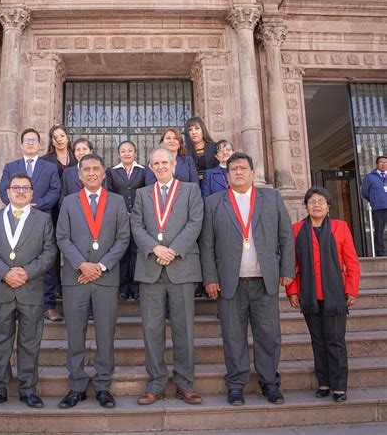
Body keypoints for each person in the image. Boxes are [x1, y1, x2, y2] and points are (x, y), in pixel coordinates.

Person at [199, 152, 295, 406]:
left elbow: (286, 236)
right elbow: (207, 244)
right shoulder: (213, 202)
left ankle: (270, 383)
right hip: (230, 283)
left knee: (269, 334)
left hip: (264, 281)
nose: (238, 172)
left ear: (252, 173)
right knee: (233, 336)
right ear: (227, 175)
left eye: (243, 168)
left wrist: (287, 270)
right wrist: (209, 277)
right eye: (233, 169)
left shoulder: (271, 198)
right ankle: (236, 384)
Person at [56, 154, 130, 409]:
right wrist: (82, 264)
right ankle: (76, 386)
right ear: (79, 175)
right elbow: (62, 237)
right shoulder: (68, 202)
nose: (90, 173)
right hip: (75, 277)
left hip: (105, 278)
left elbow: (123, 238)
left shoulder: (117, 202)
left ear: (103, 173)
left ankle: (102, 386)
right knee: (75, 335)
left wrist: (99, 266)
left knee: (105, 335)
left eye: (95, 169)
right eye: (85, 169)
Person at [132, 147, 204, 406]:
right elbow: (136, 226)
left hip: (181, 267)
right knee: (152, 330)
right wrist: (155, 247)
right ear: (150, 168)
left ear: (174, 164)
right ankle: (156, 384)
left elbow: (195, 223)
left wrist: (173, 250)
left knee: (184, 329)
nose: (160, 166)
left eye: (165, 162)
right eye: (156, 163)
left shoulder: (190, 190)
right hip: (151, 268)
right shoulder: (142, 194)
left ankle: (185, 384)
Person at [0, 172, 57, 410]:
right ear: (8, 192)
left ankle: (28, 390)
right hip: (1, 290)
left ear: (32, 193)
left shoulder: (43, 219)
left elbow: (50, 252)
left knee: (30, 342)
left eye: (25, 188)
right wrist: (5, 273)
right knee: (0, 342)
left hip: (31, 289)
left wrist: (26, 272)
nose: (21, 191)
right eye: (16, 188)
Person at [286, 186, 361, 403]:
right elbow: (292, 264)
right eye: (312, 201)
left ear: (328, 206)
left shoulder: (340, 227)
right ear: (306, 207)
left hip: (335, 295)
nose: (316, 205)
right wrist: (292, 290)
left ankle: (339, 386)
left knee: (335, 340)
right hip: (309, 294)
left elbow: (352, 262)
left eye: (321, 201)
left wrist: (352, 290)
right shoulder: (297, 230)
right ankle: (324, 382)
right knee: (317, 340)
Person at [0, 128, 62, 322]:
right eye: (27, 140)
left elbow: (55, 191)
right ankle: (16, 307)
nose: (31, 143)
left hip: (42, 219)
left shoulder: (50, 167)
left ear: (39, 144)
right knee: (16, 260)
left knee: (47, 262)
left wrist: (36, 205)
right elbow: (4, 191)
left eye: (34, 140)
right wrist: (20, 205)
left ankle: (49, 305)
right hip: (16, 220)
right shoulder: (11, 166)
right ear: (21, 145)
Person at [106, 140, 146, 300]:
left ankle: (136, 287)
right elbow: (109, 193)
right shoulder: (112, 172)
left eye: (130, 150)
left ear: (135, 153)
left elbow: (147, 192)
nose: (127, 153)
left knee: (137, 252)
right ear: (118, 154)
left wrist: (136, 211)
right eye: (123, 151)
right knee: (122, 253)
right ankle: (122, 288)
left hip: (139, 218)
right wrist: (122, 212)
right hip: (120, 218)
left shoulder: (143, 171)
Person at [41, 124, 77, 301]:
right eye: (56, 137)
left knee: (74, 246)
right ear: (52, 140)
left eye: (62, 135)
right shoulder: (45, 160)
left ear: (67, 137)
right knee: (53, 249)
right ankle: (56, 288)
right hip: (53, 211)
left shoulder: (77, 157)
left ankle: (73, 284)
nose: (59, 139)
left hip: (77, 211)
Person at [362, 155, 387, 257]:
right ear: (377, 164)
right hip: (378, 207)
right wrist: (374, 200)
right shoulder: (369, 177)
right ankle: (380, 253)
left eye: (385, 162)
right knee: (379, 230)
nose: (383, 164)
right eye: (381, 162)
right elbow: (365, 192)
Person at [184, 116, 218, 182]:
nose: (193, 132)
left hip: (212, 184)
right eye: (190, 130)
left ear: (203, 130)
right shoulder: (184, 150)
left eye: (197, 128)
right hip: (192, 186)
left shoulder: (214, 147)